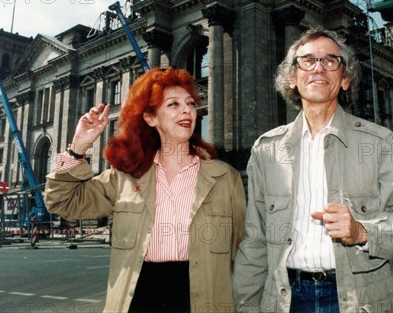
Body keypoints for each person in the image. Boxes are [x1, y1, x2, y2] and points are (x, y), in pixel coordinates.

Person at [232, 27, 393, 312]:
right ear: (291, 78)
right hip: (286, 300)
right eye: (307, 61)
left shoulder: (381, 143)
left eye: (330, 61)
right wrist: (247, 306)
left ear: (345, 79)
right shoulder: (266, 150)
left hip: (358, 301)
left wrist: (362, 232)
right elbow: (255, 239)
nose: (318, 69)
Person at [45, 67, 246, 313]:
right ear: (151, 118)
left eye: (190, 103)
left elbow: (244, 252)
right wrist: (78, 147)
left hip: (204, 298)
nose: (187, 110)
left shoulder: (225, 178)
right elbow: (63, 202)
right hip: (139, 298)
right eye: (173, 104)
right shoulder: (125, 178)